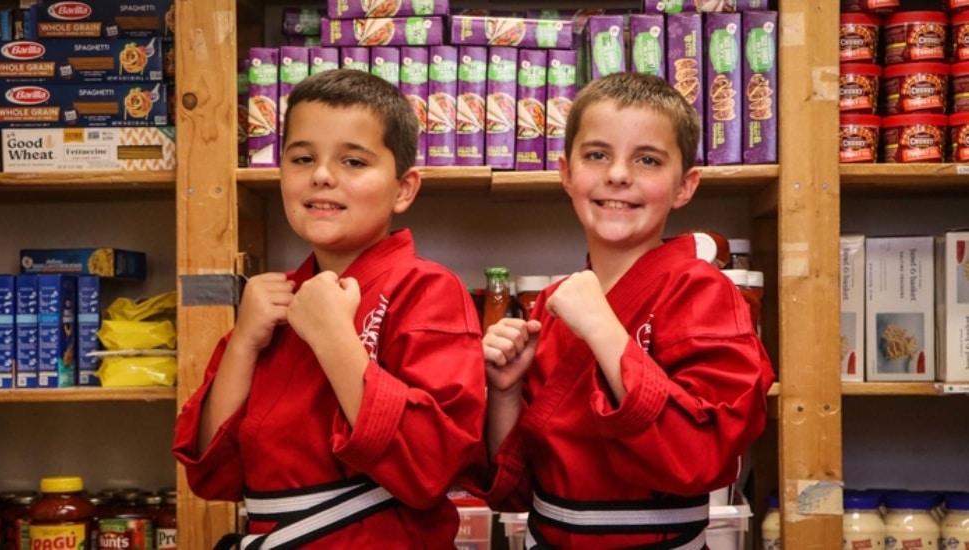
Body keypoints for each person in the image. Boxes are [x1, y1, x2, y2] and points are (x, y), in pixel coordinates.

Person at [172, 69, 486, 549]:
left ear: (404, 188)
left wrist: (333, 338)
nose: (321, 174)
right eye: (302, 158)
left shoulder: (428, 290)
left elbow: (429, 467)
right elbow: (212, 475)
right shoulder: (272, 303)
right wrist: (243, 343)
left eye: (354, 162)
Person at [474, 72, 775, 548]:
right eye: (597, 154)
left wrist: (603, 330)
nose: (617, 174)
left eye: (648, 159)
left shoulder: (704, 292)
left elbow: (701, 456)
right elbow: (513, 493)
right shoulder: (555, 305)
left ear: (685, 186)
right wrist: (505, 393)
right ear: (566, 173)